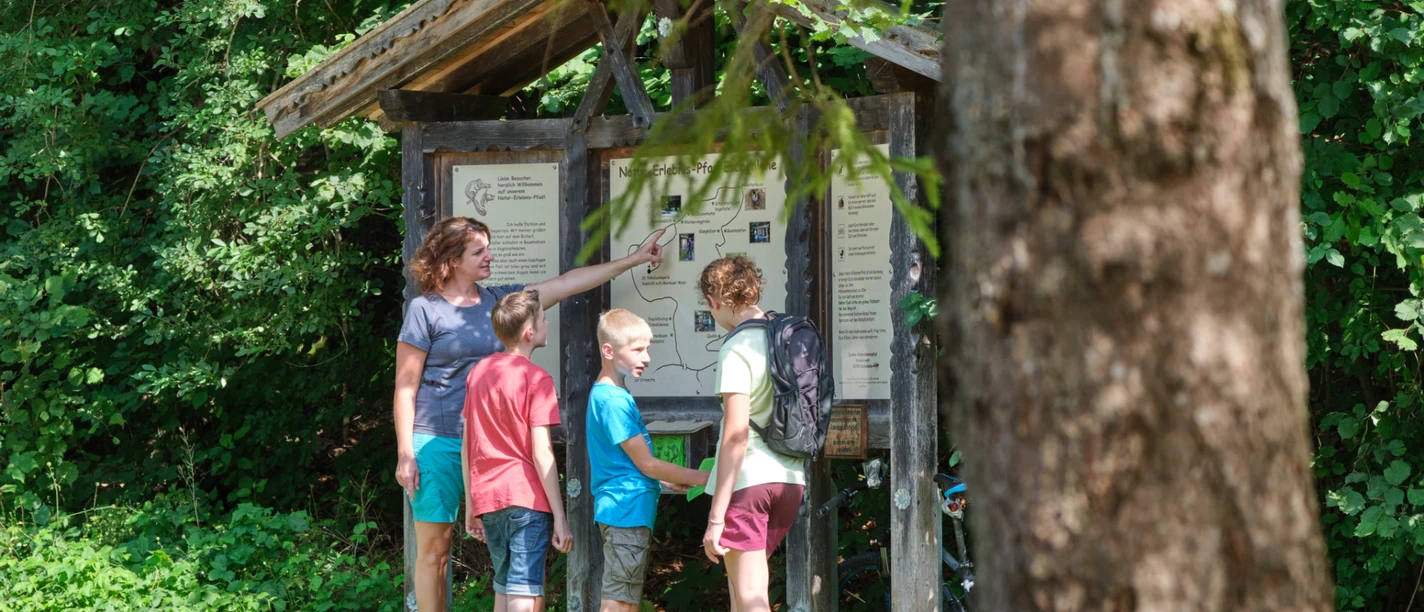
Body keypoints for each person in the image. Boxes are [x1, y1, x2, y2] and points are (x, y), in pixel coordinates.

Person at [394, 217, 663, 612]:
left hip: (492, 453)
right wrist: (405, 452)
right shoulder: (424, 309)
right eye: (479, 251)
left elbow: (568, 282)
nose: (490, 256)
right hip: (435, 440)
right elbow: (405, 385)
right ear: (452, 260)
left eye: (489, 246)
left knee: (507, 570)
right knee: (435, 551)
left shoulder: (501, 303)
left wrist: (632, 260)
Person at [696, 257, 806, 612]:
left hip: (748, 484)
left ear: (714, 301)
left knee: (752, 600)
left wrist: (716, 519)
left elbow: (736, 437)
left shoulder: (735, 348)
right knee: (742, 597)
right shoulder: (786, 339)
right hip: (790, 480)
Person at [586, 309, 711, 612]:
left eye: (648, 348)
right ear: (609, 351)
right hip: (625, 509)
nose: (647, 357)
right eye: (638, 349)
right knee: (618, 600)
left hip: (627, 507)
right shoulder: (613, 401)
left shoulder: (614, 394)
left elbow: (627, 462)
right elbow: (647, 464)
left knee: (626, 599)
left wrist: (666, 480)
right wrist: (707, 478)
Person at [461, 290, 568, 612]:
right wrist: (560, 518)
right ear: (529, 332)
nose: (547, 323)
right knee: (523, 589)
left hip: (488, 498)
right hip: (526, 498)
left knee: (505, 586)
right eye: (543, 319)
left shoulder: (478, 372)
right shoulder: (538, 379)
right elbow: (542, 453)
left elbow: (468, 445)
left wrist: (471, 505)